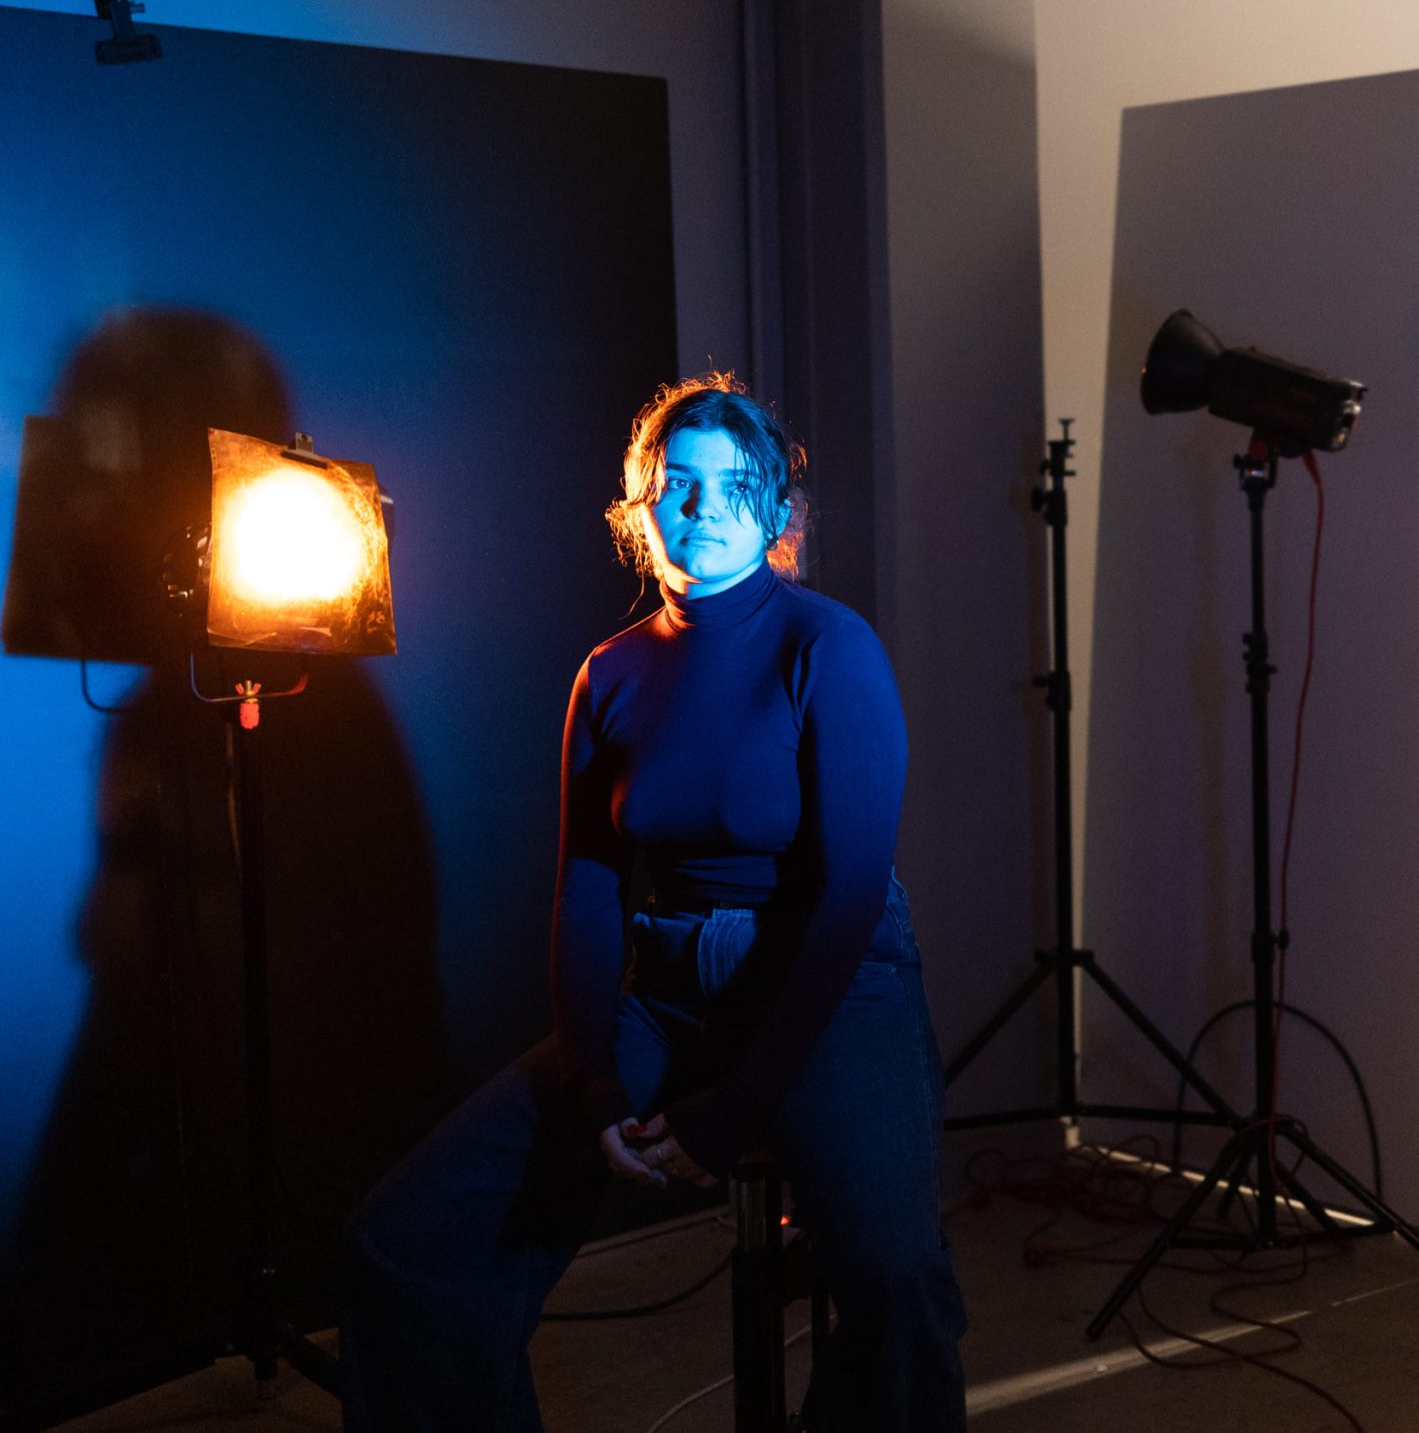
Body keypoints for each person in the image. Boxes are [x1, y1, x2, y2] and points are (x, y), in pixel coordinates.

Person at [341, 371, 968, 1431]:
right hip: (667, 982)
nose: (706, 505)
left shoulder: (829, 647)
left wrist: (738, 1106)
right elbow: (586, 895)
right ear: (641, 512)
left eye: (735, 486)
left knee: (895, 1280)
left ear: (776, 511)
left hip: (828, 975)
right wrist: (592, 1083)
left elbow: (849, 890)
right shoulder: (611, 672)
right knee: (406, 1245)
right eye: (679, 483)